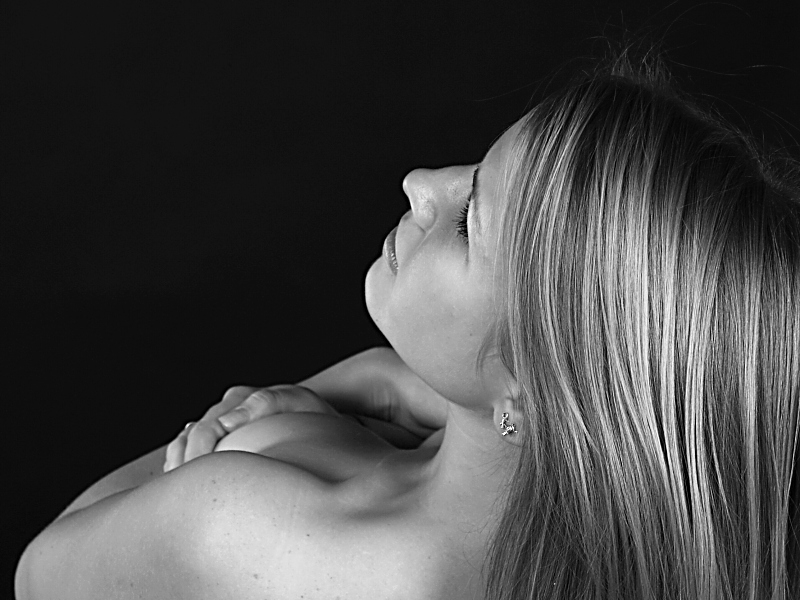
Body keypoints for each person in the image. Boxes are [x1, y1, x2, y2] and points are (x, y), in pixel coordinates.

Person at [15, 51, 800, 600]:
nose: (422, 184)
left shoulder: (250, 525)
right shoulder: (604, 539)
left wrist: (212, 456)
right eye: (473, 171)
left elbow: (39, 573)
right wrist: (381, 383)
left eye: (467, 223)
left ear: (531, 387)